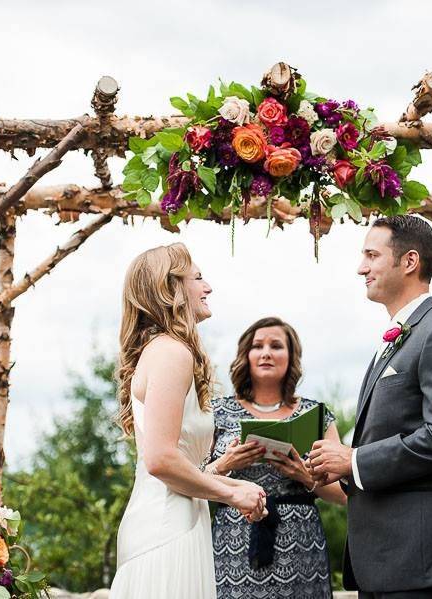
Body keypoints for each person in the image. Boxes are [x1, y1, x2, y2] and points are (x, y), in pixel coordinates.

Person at [308, 215, 432, 599]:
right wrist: (333, 468)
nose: (361, 268)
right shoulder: (399, 337)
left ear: (409, 262)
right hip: (387, 561)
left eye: (372, 255)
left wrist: (353, 460)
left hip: (422, 559)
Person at [110, 243, 267, 599]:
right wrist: (233, 493)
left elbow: (173, 464)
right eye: (197, 278)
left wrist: (218, 470)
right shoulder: (170, 352)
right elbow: (161, 461)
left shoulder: (165, 350)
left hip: (181, 521)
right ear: (171, 289)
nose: (208, 287)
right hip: (165, 532)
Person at [205, 316, 347, 599]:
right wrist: (226, 464)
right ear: (246, 355)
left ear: (291, 356)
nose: (266, 352)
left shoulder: (316, 415)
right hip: (234, 538)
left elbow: (342, 494)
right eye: (258, 346)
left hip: (301, 541)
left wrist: (302, 474)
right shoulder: (216, 412)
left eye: (277, 346)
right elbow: (193, 478)